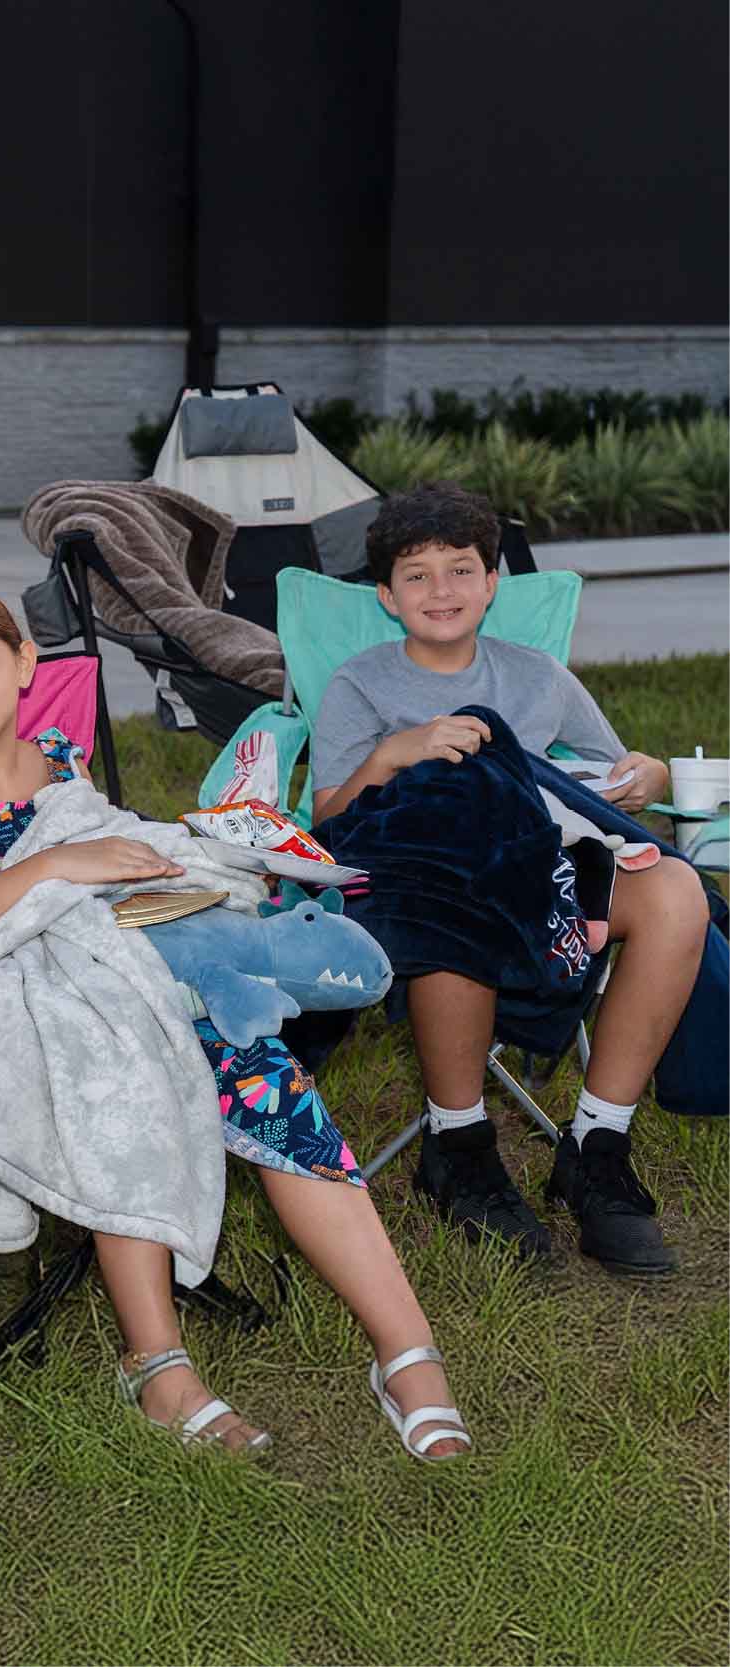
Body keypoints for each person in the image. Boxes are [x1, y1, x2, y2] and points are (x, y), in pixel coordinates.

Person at [0, 579, 471, 1459]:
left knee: (264, 1069)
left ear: (26, 662)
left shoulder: (60, 760)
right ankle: (157, 1364)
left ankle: (407, 1354)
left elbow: (113, 876)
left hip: (112, 969)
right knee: (122, 1061)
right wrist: (58, 865)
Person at [311, 481, 710, 1274]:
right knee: (460, 894)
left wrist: (652, 773)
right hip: (419, 877)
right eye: (416, 575)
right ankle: (457, 1143)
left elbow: (608, 775)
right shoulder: (361, 683)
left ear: (492, 583)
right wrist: (396, 752)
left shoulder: (538, 676)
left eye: (460, 570)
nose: (440, 590)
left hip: (548, 871)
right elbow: (328, 818)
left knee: (674, 889)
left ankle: (596, 1144)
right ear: (386, 596)